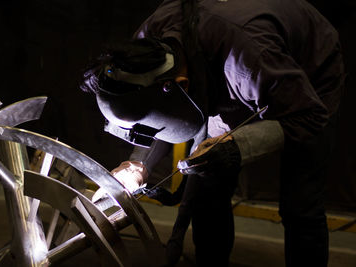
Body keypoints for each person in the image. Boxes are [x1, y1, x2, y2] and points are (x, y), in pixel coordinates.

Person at [80, 0, 345, 266]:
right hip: (226, 70)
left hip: (307, 80)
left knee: (300, 206)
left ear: (181, 86)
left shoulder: (247, 61)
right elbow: (154, 114)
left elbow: (310, 116)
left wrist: (235, 145)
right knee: (207, 190)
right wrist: (137, 166)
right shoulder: (142, 48)